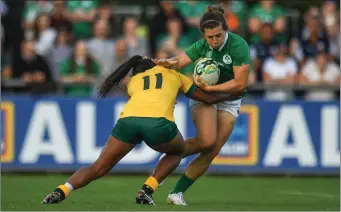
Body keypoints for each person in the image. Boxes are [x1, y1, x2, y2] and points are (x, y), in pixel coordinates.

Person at [41, 55, 242, 205]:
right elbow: (205, 98)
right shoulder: (174, 75)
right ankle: (147, 189)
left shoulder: (133, 81)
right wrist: (231, 93)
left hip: (127, 122)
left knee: (98, 167)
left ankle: (63, 190)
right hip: (158, 124)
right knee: (178, 151)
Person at [153, 5, 251, 205]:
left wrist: (212, 88)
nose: (214, 41)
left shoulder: (239, 46)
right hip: (204, 97)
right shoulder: (201, 45)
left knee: (212, 150)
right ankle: (165, 164)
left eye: (218, 36)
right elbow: (179, 61)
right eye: (210, 37)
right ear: (204, 35)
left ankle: (176, 193)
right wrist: (165, 63)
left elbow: (240, 83)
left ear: (226, 30)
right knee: (206, 141)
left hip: (229, 99)